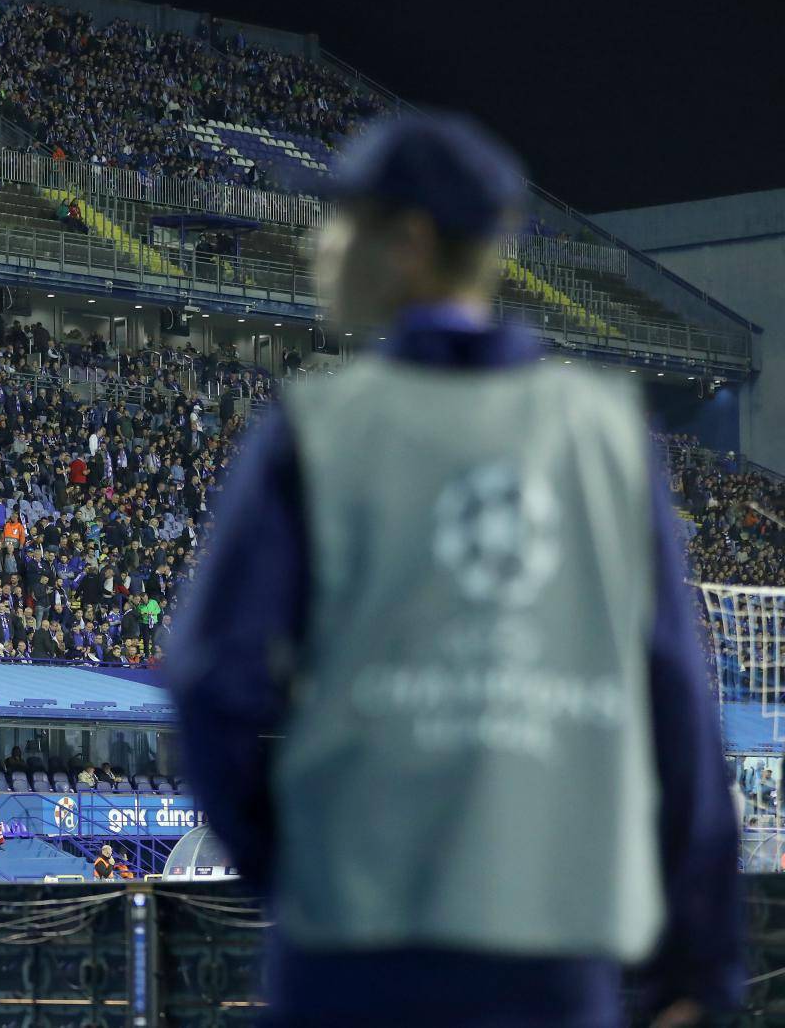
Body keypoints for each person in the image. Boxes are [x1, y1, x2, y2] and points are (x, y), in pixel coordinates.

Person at [168, 114, 742, 1027]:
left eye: (340, 222)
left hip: (358, 956)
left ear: (409, 243)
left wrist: (301, 876)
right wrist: (699, 970)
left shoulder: (317, 432)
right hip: (552, 946)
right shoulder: (604, 437)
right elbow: (676, 708)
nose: (319, 246)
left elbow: (212, 686)